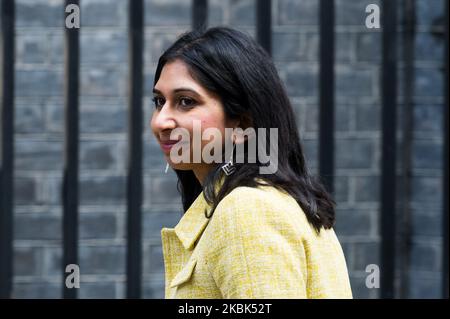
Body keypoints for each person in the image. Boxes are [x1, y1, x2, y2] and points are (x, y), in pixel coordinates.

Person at [150, 27, 353, 299]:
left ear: (242, 123)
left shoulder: (246, 210)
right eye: (159, 101)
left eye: (186, 101)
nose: (161, 121)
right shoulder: (271, 199)